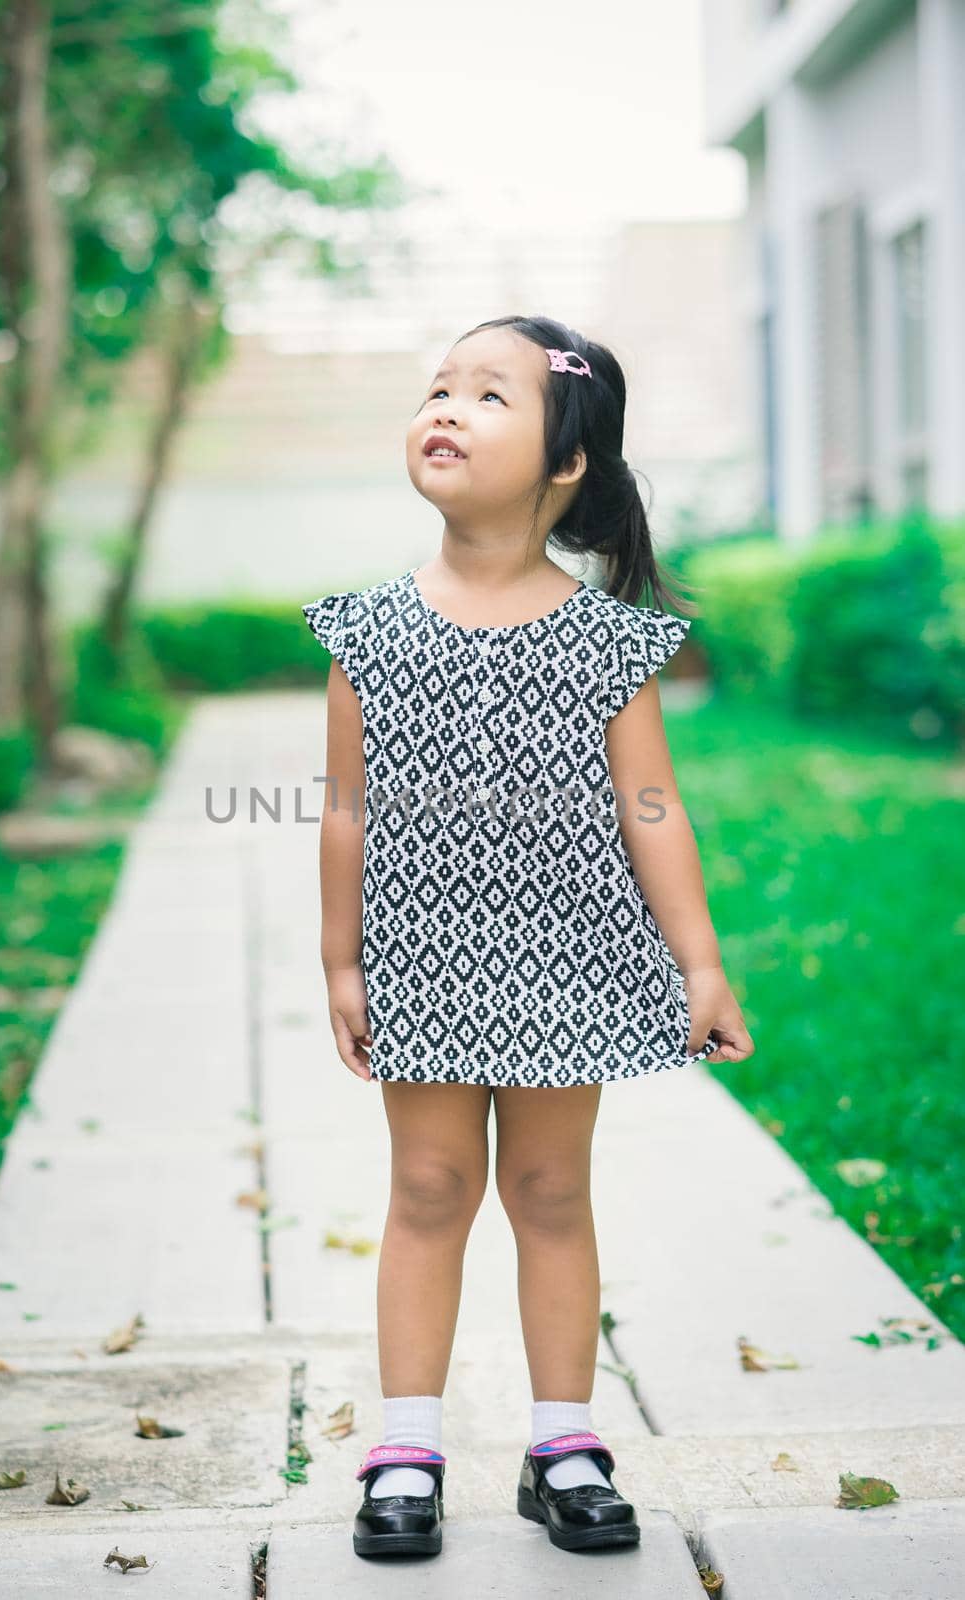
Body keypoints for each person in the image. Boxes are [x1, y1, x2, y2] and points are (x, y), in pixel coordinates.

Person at [301, 314, 754, 1560]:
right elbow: (341, 813)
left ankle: (563, 1441)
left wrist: (697, 959)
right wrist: (340, 960)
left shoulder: (612, 642)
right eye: (435, 387)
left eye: (486, 395)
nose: (444, 406)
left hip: (569, 959)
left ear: (565, 464)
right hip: (423, 959)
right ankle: (404, 1448)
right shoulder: (364, 631)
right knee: (429, 1186)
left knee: (550, 1191)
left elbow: (651, 808)